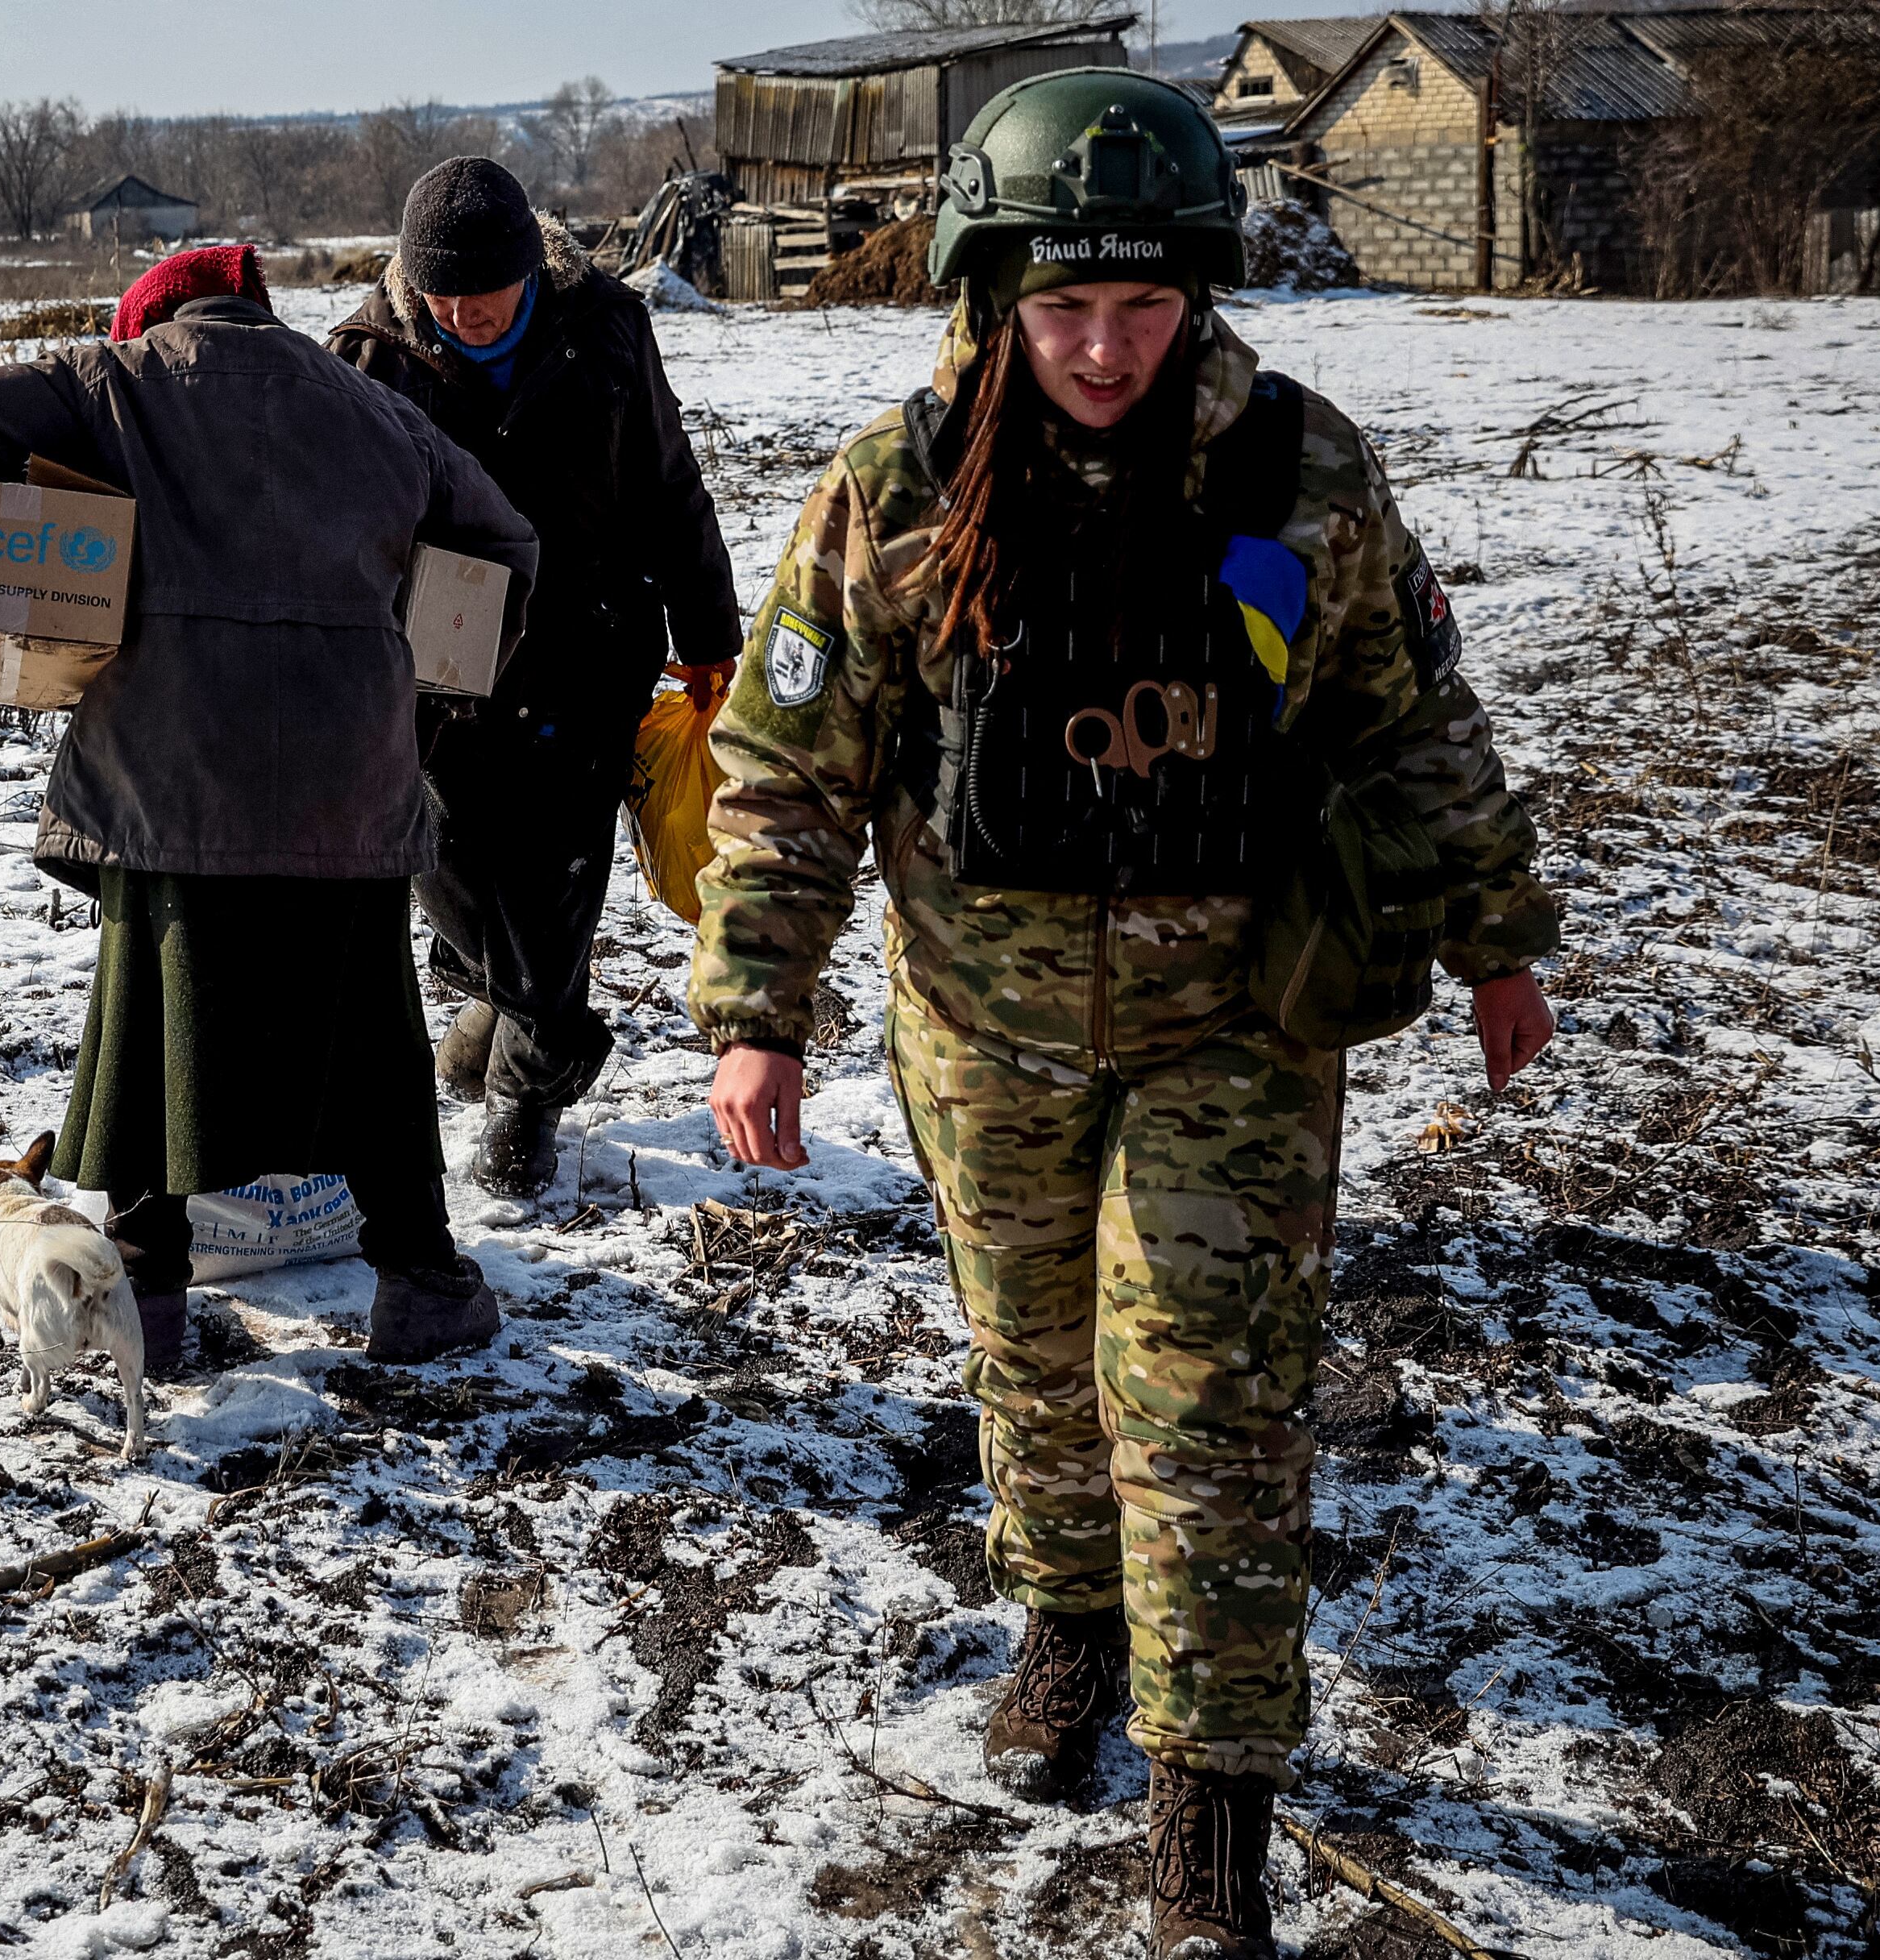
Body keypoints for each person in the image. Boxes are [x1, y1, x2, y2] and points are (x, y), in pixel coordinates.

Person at [687, 74, 1559, 1958]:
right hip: (976, 1029)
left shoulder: (1298, 475)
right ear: (990, 286)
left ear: (1199, 295)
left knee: (1209, 1406)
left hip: (1231, 1028)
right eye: (1061, 308)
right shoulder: (898, 485)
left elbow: (1411, 720)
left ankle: (1209, 1809)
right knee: (1035, 1366)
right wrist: (758, 1002)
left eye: (1141, 308)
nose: (1098, 348)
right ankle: (1069, 1624)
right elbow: (779, 755)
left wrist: (1497, 936)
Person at [0, 246, 540, 1369]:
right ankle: (423, 1286)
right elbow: (503, 541)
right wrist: (427, 704)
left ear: (152, 318)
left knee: (157, 1036)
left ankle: (148, 1302)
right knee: (369, 1039)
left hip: (168, 780)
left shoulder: (110, 385)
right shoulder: (371, 408)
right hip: (345, 785)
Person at [328, 157, 741, 1198]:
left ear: (531, 272)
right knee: (447, 868)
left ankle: (527, 1095)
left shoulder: (603, 327)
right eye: (443, 298)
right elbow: (339, 531)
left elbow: (665, 479)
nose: (465, 315)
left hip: (583, 653)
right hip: (438, 677)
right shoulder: (367, 359)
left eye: (487, 294)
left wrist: (705, 629)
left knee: (557, 888)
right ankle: (491, 999)